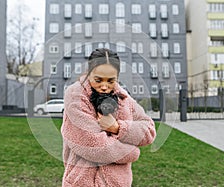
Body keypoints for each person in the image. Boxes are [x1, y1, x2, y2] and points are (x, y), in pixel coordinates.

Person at [61, 48, 156, 187]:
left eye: (111, 81)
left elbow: (149, 130)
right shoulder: (75, 96)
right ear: (89, 73)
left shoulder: (124, 98)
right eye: (98, 80)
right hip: (81, 183)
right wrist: (132, 152)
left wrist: (117, 127)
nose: (104, 86)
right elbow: (94, 145)